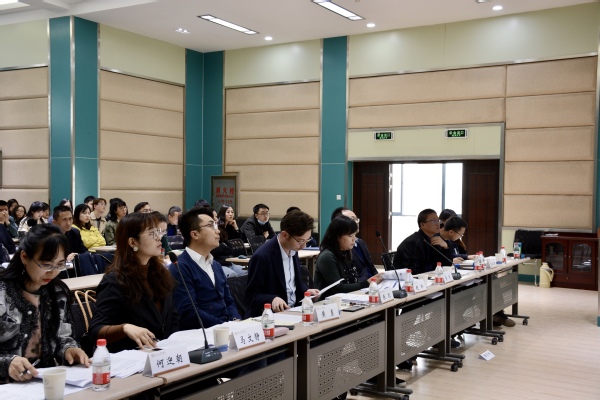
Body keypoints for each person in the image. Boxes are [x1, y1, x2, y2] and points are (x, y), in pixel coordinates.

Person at [0, 224, 90, 383]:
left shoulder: (57, 293)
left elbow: (63, 337)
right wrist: (7, 363)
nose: (53, 272)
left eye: (60, 265)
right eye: (46, 264)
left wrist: (69, 349)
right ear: (24, 257)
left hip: (44, 380)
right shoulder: (3, 293)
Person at [88, 213, 179, 353]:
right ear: (132, 242)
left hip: (163, 353)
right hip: (131, 356)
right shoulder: (116, 281)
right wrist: (124, 328)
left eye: (159, 232)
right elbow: (95, 331)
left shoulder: (162, 274)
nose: (159, 237)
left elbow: (173, 317)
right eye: (152, 233)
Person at [169, 207, 241, 329]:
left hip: (226, 329)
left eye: (216, 225)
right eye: (211, 226)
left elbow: (229, 301)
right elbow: (189, 312)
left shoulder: (215, 265)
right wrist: (224, 326)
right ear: (195, 234)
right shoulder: (180, 267)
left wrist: (236, 320)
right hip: (202, 333)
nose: (217, 231)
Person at [245, 210, 320, 318]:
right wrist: (272, 299)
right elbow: (250, 297)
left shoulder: (293, 250)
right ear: (285, 235)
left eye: (306, 241)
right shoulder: (262, 256)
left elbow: (292, 284)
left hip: (294, 312)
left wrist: (307, 291)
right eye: (300, 241)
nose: (303, 246)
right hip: (270, 318)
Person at [314, 216, 383, 297]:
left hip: (348, 298)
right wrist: (367, 283)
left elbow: (353, 281)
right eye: (350, 236)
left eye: (355, 235)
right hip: (329, 302)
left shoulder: (347, 252)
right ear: (337, 237)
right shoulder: (327, 256)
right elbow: (338, 288)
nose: (354, 239)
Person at [392, 208, 453, 274]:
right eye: (434, 221)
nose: (438, 224)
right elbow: (412, 272)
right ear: (423, 225)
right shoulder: (413, 243)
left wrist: (445, 247)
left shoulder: (434, 240)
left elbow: (444, 266)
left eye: (438, 221)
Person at [330, 207, 379, 281]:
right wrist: (367, 283)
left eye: (356, 219)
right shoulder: (340, 248)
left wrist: (379, 278)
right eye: (352, 219)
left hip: (373, 283)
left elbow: (371, 267)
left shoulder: (361, 243)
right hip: (360, 285)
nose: (356, 222)